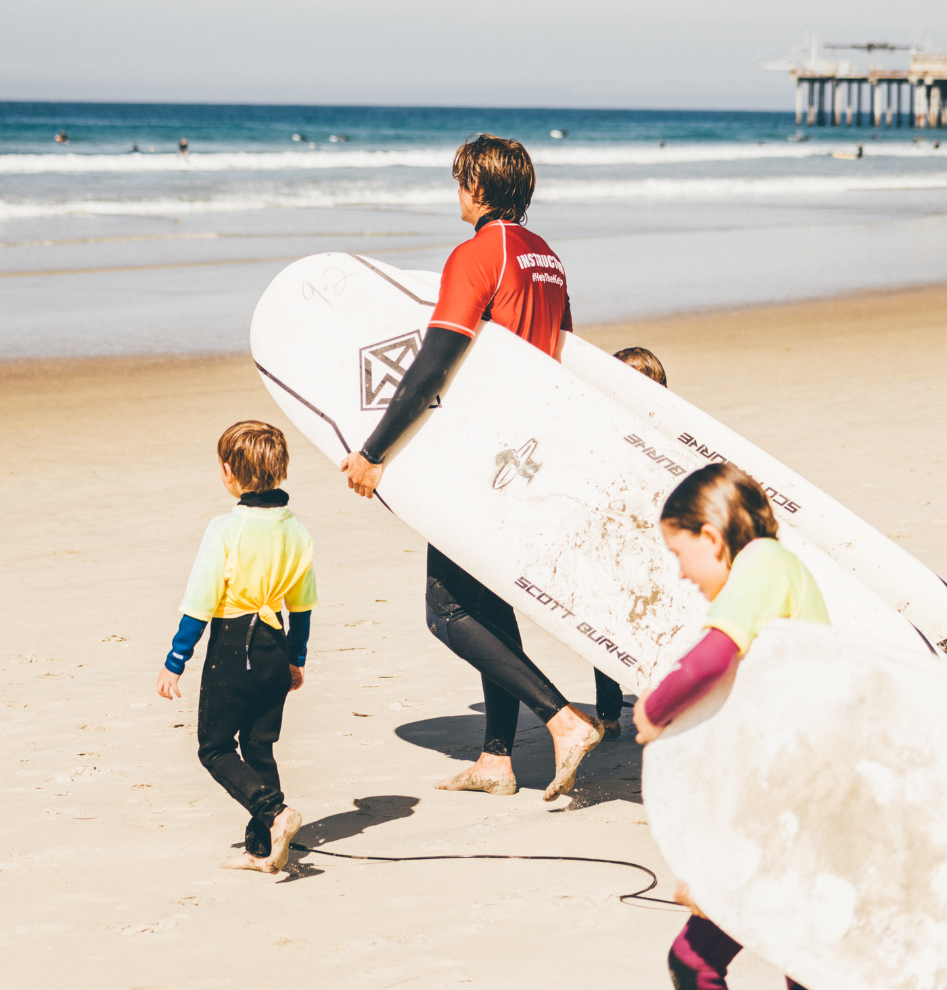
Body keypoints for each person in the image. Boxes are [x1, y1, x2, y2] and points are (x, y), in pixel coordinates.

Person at [340, 134, 603, 801]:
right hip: (529, 452)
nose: (456, 193)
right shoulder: (547, 258)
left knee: (447, 608)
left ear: (478, 187)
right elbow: (559, 354)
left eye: (460, 182)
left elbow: (436, 359)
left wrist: (374, 452)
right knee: (490, 602)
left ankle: (562, 720)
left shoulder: (478, 254)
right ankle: (496, 759)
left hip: (483, 453)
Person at [633, 463, 827, 990]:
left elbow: (709, 659)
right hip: (795, 802)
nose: (681, 574)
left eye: (680, 553)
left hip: (791, 806)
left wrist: (654, 709)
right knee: (800, 963)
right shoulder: (779, 572)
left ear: (712, 537)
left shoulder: (763, 563)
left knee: (699, 961)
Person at [156, 420, 316, 873]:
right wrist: (296, 659)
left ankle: (275, 813)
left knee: (216, 748)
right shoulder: (298, 530)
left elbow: (200, 602)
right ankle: (263, 850)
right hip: (275, 644)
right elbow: (302, 607)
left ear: (229, 471)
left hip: (234, 647)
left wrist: (176, 660)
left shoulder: (226, 528)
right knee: (259, 747)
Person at [594, 346, 669, 738]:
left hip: (650, 542)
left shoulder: (664, 429)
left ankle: (649, 704)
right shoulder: (609, 424)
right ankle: (608, 711)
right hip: (616, 539)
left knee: (643, 624)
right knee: (608, 619)